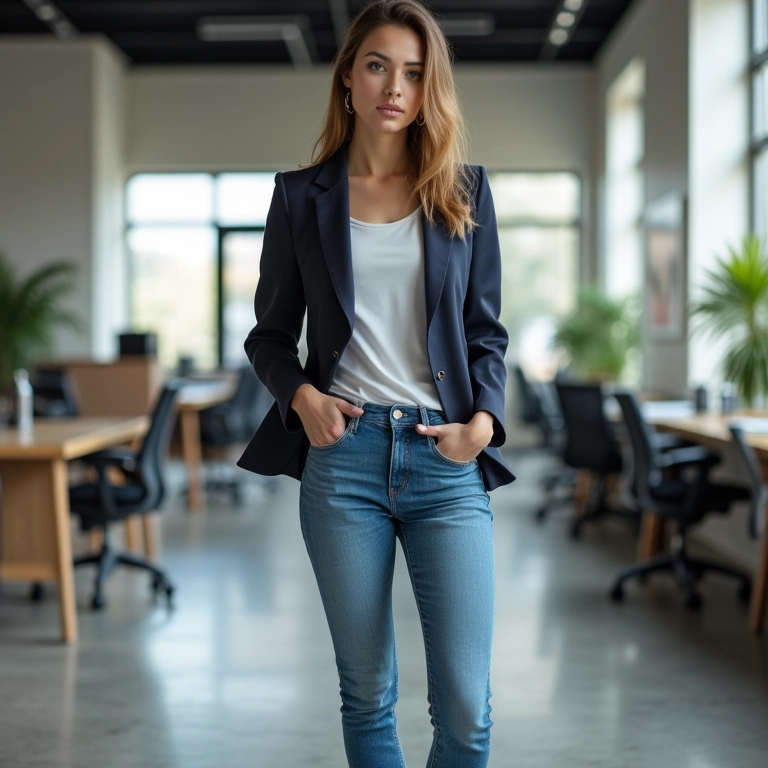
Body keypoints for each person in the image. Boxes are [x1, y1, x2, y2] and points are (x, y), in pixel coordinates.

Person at [237, 1, 515, 765]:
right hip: (345, 462)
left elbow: (486, 334)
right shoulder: (300, 198)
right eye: (379, 65)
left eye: (416, 73)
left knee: (466, 707)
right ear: (349, 79)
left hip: (446, 458)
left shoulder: (464, 190)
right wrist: (302, 397)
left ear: (432, 90)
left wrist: (483, 426)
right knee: (367, 692)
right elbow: (268, 336)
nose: (397, 86)